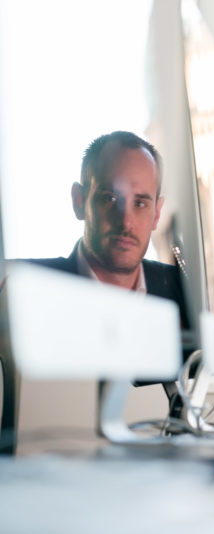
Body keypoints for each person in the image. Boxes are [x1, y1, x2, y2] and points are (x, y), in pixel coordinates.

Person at [25, 131, 189, 409]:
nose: (126, 221)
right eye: (110, 198)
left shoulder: (181, 291)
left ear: (157, 214)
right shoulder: (25, 290)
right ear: (79, 201)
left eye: (140, 203)